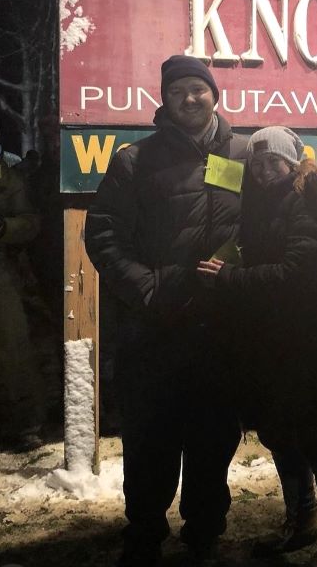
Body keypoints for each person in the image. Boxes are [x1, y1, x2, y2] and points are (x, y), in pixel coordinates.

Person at [85, 55, 245, 566]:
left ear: (215, 94)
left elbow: (276, 224)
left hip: (220, 331)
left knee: (213, 440)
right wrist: (147, 289)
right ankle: (145, 534)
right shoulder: (136, 160)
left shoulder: (244, 156)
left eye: (199, 89)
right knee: (150, 440)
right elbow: (104, 232)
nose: (190, 99)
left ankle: (204, 534)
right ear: (164, 99)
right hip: (155, 329)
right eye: (179, 91)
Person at [197, 126, 317, 567]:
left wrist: (228, 278)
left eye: (275, 162)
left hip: (312, 342)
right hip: (273, 344)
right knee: (280, 434)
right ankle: (302, 519)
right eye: (258, 163)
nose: (266, 171)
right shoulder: (263, 203)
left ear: (293, 161)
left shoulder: (311, 201)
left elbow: (296, 275)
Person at [0, 133, 43, 451]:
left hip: (0, 270)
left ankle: (21, 424)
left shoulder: (10, 178)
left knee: (10, 346)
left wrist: (3, 228)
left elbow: (30, 222)